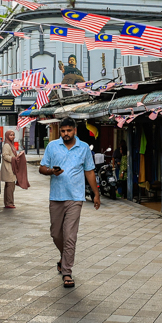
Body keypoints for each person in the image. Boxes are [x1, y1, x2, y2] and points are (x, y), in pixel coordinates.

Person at [39, 117, 99, 288]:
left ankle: (67, 272)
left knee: (70, 236)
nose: (65, 134)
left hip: (75, 197)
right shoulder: (52, 146)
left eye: (68, 131)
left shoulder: (84, 148)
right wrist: (51, 171)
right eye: (63, 131)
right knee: (56, 234)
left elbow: (89, 172)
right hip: (56, 197)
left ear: (75, 131)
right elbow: (42, 168)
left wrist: (96, 194)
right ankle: (64, 258)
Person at [1, 129, 21, 208]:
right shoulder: (6, 145)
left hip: (11, 167)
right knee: (10, 186)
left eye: (13, 135)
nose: (12, 136)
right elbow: (5, 156)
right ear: (7, 136)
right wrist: (14, 159)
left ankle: (8, 202)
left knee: (9, 186)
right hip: (8, 168)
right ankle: (9, 203)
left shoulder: (10, 145)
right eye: (10, 135)